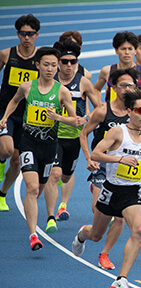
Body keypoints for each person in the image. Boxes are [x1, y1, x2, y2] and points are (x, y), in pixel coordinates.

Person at [72, 89, 141, 288]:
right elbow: (96, 154)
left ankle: (122, 279)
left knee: (139, 229)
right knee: (97, 235)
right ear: (129, 111)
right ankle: (83, 234)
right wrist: (119, 159)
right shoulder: (118, 132)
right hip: (111, 190)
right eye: (140, 110)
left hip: (132, 192)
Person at [0, 47, 77, 251]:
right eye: (46, 64)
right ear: (37, 65)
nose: (50, 69)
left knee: (40, 188)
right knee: (32, 188)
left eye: (54, 65)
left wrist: (58, 118)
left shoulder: (61, 91)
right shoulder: (27, 87)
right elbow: (14, 101)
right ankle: (33, 234)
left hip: (49, 146)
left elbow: (75, 120)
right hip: (28, 143)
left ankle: (34, 222)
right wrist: (5, 117)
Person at [80, 68, 139, 270]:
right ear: (113, 87)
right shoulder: (103, 111)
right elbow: (84, 133)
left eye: (131, 85)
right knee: (97, 216)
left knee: (120, 215)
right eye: (123, 85)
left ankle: (104, 254)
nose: (127, 89)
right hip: (103, 165)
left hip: (124, 172)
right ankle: (84, 234)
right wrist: (89, 158)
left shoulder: (137, 114)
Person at [43, 39, 102, 233]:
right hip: (53, 135)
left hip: (75, 138)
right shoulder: (50, 81)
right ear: (59, 62)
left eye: (73, 62)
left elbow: (99, 107)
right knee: (56, 173)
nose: (69, 65)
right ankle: (51, 217)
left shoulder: (83, 82)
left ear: (77, 62)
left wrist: (86, 118)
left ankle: (59, 195)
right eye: (65, 61)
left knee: (66, 177)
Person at [0, 14, 40, 212]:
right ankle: (0, 164)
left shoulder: (41, 60)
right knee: (6, 150)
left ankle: (2, 194)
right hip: (6, 109)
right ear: (17, 34)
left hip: (27, 115)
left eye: (30, 34)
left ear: (36, 35)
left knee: (16, 160)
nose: (27, 38)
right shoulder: (6, 54)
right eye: (23, 34)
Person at [94, 31, 141, 102]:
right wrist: (99, 105)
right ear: (116, 50)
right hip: (112, 112)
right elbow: (96, 89)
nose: (127, 53)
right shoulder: (107, 71)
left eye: (130, 49)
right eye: (123, 49)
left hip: (134, 112)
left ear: (135, 51)